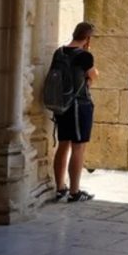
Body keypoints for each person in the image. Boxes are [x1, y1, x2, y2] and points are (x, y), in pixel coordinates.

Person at [51, 22, 99, 202]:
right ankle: (74, 191)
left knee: (63, 144)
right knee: (78, 147)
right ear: (87, 38)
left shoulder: (59, 52)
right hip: (79, 105)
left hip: (62, 105)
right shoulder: (85, 56)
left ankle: (60, 187)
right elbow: (94, 75)